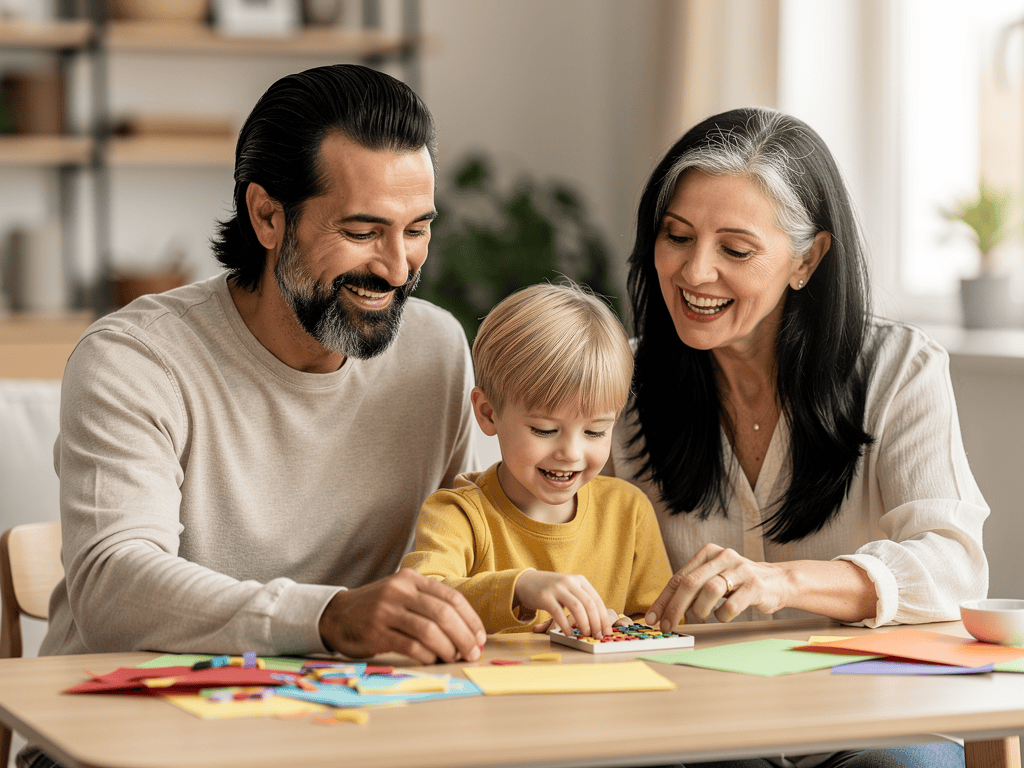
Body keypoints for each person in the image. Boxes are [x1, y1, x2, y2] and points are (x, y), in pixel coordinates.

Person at [38, 64, 487, 668]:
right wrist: (328, 617)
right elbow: (113, 589)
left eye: (417, 230)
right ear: (267, 216)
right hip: (119, 733)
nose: (398, 268)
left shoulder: (436, 350)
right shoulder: (135, 360)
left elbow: (468, 545)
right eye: (362, 230)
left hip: (342, 720)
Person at [609, 107, 987, 768]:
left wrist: (786, 584)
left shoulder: (899, 371)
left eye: (735, 248)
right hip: (697, 723)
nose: (696, 273)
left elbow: (956, 569)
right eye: (676, 236)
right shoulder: (620, 384)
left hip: (871, 715)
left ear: (806, 259)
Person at [402, 283, 673, 638]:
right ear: (488, 413)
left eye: (594, 432)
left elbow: (663, 626)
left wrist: (625, 628)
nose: (572, 453)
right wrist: (520, 588)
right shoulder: (457, 515)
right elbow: (420, 600)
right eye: (545, 430)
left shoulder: (629, 512)